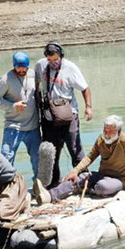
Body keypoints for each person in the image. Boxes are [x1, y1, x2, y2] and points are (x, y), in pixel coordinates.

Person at [33, 115, 125, 204]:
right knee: (78, 178)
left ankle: (85, 187)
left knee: (103, 187)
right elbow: (90, 157)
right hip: (102, 175)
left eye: (109, 131)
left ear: (118, 131)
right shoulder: (101, 140)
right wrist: (75, 171)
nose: (106, 134)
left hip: (119, 179)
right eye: (104, 130)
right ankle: (48, 196)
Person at [34, 42, 92, 187]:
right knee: (51, 151)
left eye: (56, 60)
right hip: (49, 118)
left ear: (61, 55)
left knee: (75, 149)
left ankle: (84, 179)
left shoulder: (70, 68)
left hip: (68, 116)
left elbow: (85, 88)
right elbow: (37, 85)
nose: (53, 63)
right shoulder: (40, 65)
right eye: (50, 60)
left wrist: (88, 107)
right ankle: (54, 183)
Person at [0, 51, 40, 177]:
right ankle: (7, 185)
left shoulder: (34, 75)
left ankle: (38, 184)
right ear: (14, 65)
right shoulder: (5, 79)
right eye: (18, 67)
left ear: (28, 66)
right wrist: (12, 106)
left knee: (37, 158)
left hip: (33, 126)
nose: (21, 69)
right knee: (7, 158)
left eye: (24, 67)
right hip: (13, 126)